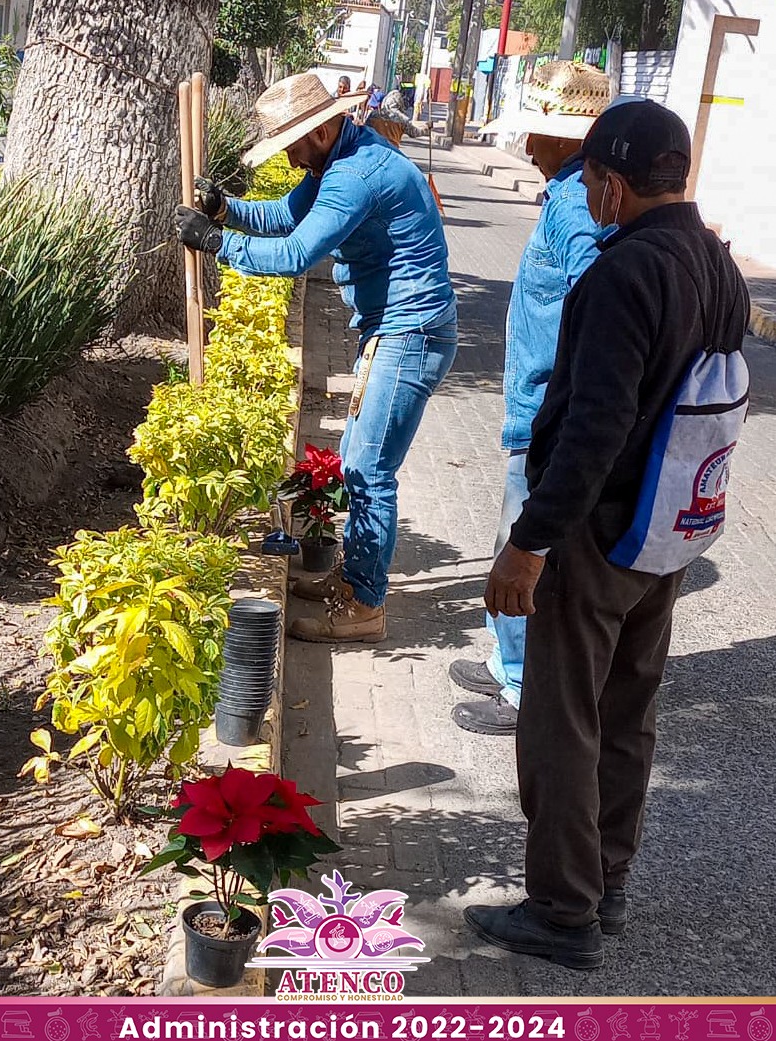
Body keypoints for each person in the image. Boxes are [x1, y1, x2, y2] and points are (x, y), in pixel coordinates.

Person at [463, 100, 750, 969]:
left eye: (590, 180)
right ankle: (607, 882)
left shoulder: (625, 274)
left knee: (562, 717)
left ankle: (561, 909)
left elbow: (594, 425)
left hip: (597, 529)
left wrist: (530, 540)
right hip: (666, 526)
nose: (587, 195)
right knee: (628, 709)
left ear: (615, 184)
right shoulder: (717, 263)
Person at [175, 73, 457, 644]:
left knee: (368, 472)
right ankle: (353, 583)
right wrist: (226, 210)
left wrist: (215, 242)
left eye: (294, 144)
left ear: (324, 130)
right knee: (358, 462)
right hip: (391, 329)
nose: (291, 156)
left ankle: (365, 606)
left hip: (410, 334)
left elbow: (297, 252)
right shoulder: (336, 159)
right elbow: (285, 216)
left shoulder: (356, 175)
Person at [448, 62, 610, 735]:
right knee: (508, 538)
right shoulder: (567, 194)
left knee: (524, 550)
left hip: (546, 414)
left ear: (566, 139)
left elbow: (600, 302)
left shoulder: (575, 207)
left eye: (535, 134)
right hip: (534, 407)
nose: (524, 146)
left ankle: (521, 690)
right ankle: (505, 658)